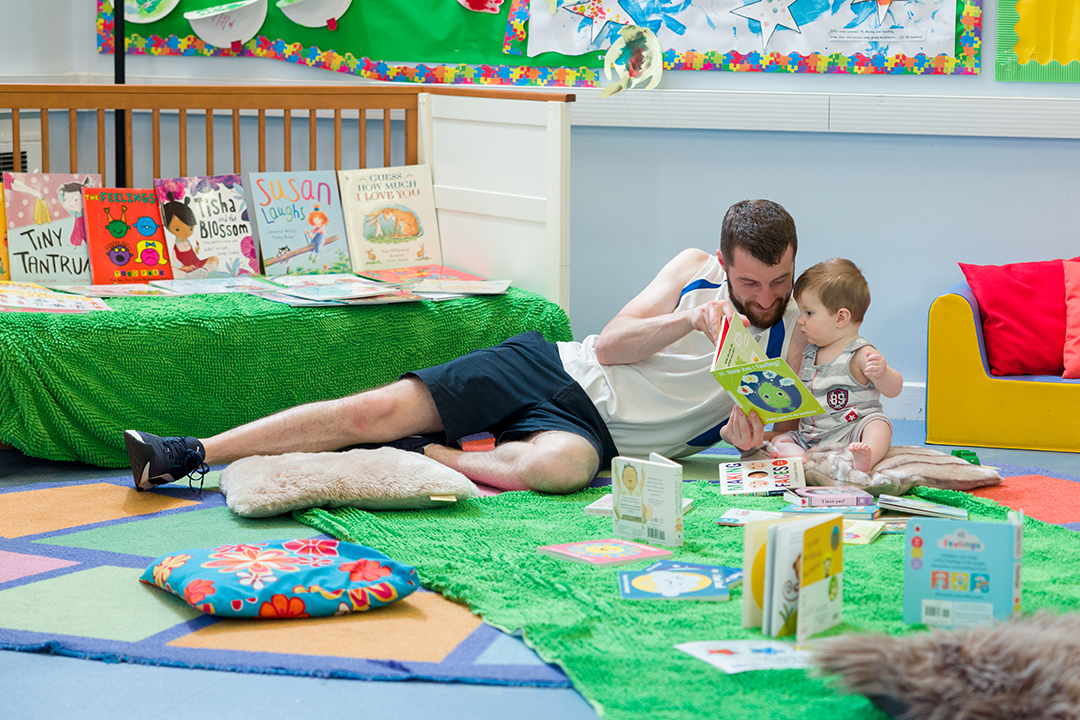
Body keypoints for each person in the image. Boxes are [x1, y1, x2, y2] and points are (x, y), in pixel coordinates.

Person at [124, 199, 806, 494]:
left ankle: (436, 452)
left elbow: (773, 431)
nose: (766, 295)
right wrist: (690, 320)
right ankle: (187, 454)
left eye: (779, 280)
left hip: (590, 435)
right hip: (553, 366)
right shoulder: (693, 269)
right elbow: (611, 346)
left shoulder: (791, 330)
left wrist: (751, 442)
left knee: (564, 471)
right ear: (725, 258)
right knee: (370, 413)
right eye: (752, 280)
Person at [769, 258, 903, 473]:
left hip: (852, 430)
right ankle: (801, 458)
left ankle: (863, 458)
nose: (801, 320)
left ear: (841, 317)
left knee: (879, 425)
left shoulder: (860, 352)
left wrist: (883, 373)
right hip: (812, 435)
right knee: (780, 440)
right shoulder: (810, 352)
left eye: (809, 313)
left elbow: (894, 390)